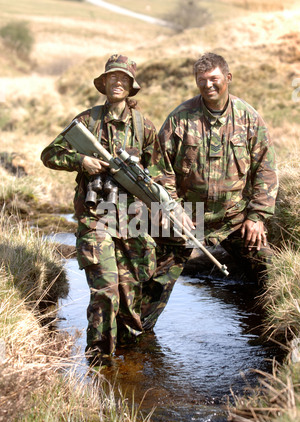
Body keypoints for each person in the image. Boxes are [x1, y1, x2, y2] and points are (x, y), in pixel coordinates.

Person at [41, 54, 187, 361]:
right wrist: (80, 161)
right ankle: (98, 361)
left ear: (131, 87)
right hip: (95, 218)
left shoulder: (143, 127)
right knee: (105, 290)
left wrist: (172, 208)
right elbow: (49, 154)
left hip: (132, 222)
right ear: (104, 82)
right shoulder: (87, 121)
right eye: (112, 78)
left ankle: (127, 360)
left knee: (129, 292)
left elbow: (161, 173)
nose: (117, 83)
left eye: (123, 79)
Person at [158, 52, 278, 286]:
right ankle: (138, 323)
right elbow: (159, 169)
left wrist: (257, 216)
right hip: (188, 218)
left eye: (213, 78)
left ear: (228, 77)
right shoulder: (179, 118)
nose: (207, 85)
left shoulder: (249, 118)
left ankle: (276, 319)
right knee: (154, 285)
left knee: (272, 274)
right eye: (201, 80)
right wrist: (173, 209)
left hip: (234, 218)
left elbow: (266, 168)